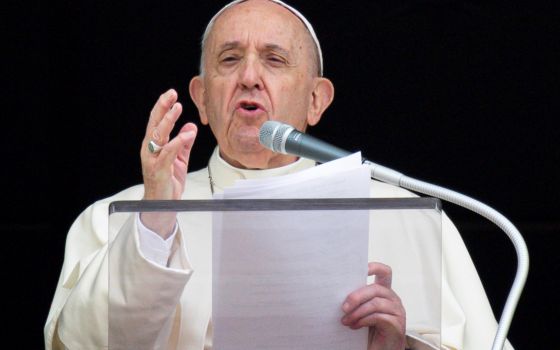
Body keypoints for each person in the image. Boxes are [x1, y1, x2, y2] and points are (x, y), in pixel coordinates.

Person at [45, 1, 513, 349]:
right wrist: (154, 223)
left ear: (316, 100)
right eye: (229, 60)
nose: (249, 76)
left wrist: (401, 346)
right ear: (202, 98)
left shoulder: (407, 215)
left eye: (274, 59)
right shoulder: (114, 216)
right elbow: (84, 341)